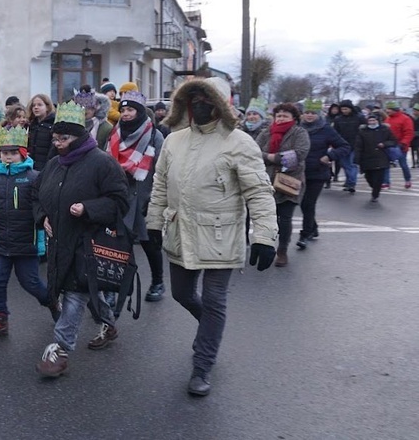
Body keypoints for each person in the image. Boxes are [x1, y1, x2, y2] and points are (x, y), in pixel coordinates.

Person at [146, 77, 278, 397]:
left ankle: (202, 363)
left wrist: (265, 236)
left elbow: (259, 193)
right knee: (182, 294)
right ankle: (211, 330)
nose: (200, 107)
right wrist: (152, 222)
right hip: (179, 230)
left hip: (221, 234)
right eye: (195, 101)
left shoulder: (239, 142)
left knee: (216, 300)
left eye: (208, 101)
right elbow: (161, 185)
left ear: (221, 104)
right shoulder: (174, 141)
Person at [32, 100, 129, 378]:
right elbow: (35, 195)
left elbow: (120, 202)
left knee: (75, 293)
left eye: (64, 138)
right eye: (55, 138)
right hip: (59, 243)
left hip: (89, 244)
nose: (58, 143)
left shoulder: (102, 163)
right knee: (87, 292)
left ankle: (60, 350)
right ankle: (109, 324)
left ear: (80, 136)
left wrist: (88, 208)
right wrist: (43, 217)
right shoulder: (53, 165)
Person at [0, 126, 59, 338]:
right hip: (0, 243)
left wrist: (43, 239)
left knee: (30, 282)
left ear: (23, 154)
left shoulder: (34, 178)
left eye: (13, 153)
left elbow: (43, 210)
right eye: (4, 153)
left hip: (25, 244)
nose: (9, 157)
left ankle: (52, 302)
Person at [107, 91, 165, 301]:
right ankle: (115, 288)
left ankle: (158, 281)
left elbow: (163, 168)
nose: (126, 114)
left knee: (149, 243)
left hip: (145, 196)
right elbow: (107, 161)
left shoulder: (154, 135)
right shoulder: (115, 133)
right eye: (123, 110)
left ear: (139, 111)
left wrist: (157, 197)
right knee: (119, 244)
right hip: (120, 196)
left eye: (130, 109)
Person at [255, 103, 310, 267]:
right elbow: (254, 151)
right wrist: (274, 157)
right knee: (266, 218)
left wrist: (271, 158)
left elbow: (300, 153)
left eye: (285, 116)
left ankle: (282, 250)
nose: (281, 118)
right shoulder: (266, 132)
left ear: (293, 118)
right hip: (266, 181)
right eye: (278, 116)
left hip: (289, 182)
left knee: (285, 218)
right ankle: (266, 247)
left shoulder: (299, 133)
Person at [296, 101, 350, 249]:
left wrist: (329, 156)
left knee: (308, 203)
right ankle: (313, 228)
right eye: (307, 112)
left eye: (313, 113)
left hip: (318, 172)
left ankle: (305, 234)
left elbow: (344, 146)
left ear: (318, 114)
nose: (309, 115)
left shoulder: (326, 129)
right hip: (299, 172)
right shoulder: (297, 128)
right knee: (302, 203)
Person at [355, 113, 398, 203]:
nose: (372, 122)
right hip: (367, 157)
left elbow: (393, 141)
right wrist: (357, 159)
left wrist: (384, 144)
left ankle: (375, 195)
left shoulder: (385, 130)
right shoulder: (363, 131)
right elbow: (358, 146)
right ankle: (375, 188)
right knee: (368, 177)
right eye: (370, 120)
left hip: (381, 157)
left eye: (374, 120)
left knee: (378, 178)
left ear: (378, 121)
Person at [332, 99, 365, 193]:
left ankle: (351, 183)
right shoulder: (338, 119)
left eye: (346, 109)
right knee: (345, 164)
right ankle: (349, 181)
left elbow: (364, 131)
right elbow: (335, 132)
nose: (344, 111)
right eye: (342, 109)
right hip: (343, 145)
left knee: (352, 164)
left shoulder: (359, 117)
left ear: (350, 108)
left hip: (356, 145)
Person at [382, 102, 414, 189]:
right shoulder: (387, 120)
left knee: (403, 164)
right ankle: (386, 182)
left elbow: (409, 133)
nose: (387, 110)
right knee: (385, 164)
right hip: (389, 145)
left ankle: (407, 180)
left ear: (395, 110)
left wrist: (404, 143)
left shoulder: (405, 119)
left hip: (401, 146)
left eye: (389, 109)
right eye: (387, 109)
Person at [26, 93, 57, 170]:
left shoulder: (53, 124)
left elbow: (53, 149)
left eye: (39, 105)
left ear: (47, 107)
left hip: (47, 166)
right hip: (32, 166)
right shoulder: (32, 125)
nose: (36, 107)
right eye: (34, 105)